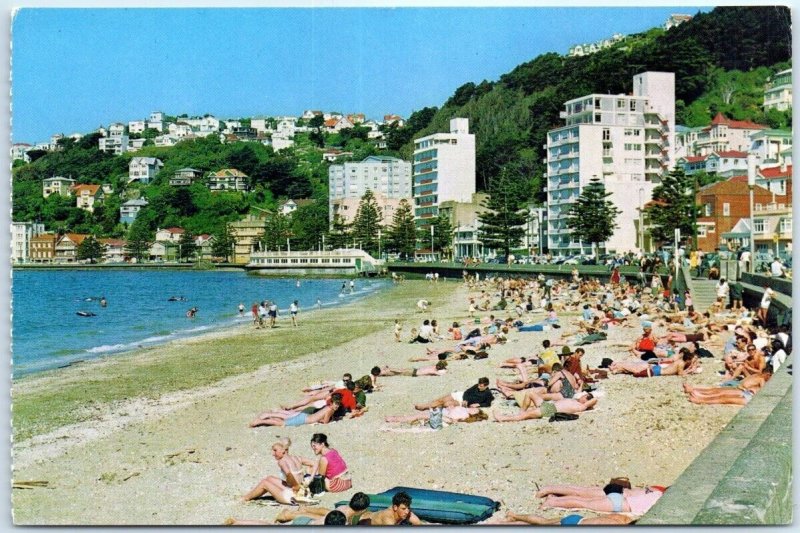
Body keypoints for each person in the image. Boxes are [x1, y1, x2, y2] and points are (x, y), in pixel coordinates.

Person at [241, 438, 313, 505]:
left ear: (283, 450)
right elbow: (314, 463)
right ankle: (251, 495)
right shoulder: (297, 458)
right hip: (304, 492)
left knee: (264, 483)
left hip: (292, 496)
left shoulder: (282, 461)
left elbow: (289, 474)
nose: (273, 454)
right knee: (269, 478)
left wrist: (296, 486)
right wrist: (308, 477)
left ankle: (246, 498)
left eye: (275, 450)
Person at [275, 492, 371, 525]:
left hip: (312, 522)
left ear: (351, 500)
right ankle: (287, 514)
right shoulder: (343, 521)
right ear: (361, 511)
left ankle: (303, 510)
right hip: (306, 523)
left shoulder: (343, 508)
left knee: (326, 513)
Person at [491, 394, 597, 423]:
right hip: (548, 405)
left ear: (586, 400)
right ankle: (521, 412)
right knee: (530, 394)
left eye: (586, 396)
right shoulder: (575, 401)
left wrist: (589, 401)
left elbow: (594, 399)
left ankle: (504, 418)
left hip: (550, 410)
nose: (583, 396)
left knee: (527, 415)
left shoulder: (580, 406)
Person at [249, 396, 341, 427]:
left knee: (286, 419)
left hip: (305, 416)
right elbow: (325, 422)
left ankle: (270, 417)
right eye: (336, 405)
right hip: (304, 419)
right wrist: (331, 420)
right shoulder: (330, 410)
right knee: (282, 423)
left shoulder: (327, 407)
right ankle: (260, 421)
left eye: (338, 405)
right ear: (332, 403)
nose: (337, 407)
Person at [413, 377, 493, 410]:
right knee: (441, 399)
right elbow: (467, 392)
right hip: (462, 396)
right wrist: (465, 399)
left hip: (462, 403)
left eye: (481, 386)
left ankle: (428, 407)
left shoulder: (488, 393)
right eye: (479, 385)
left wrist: (478, 404)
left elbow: (488, 403)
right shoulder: (476, 386)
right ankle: (424, 406)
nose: (479, 387)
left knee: (446, 404)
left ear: (486, 386)